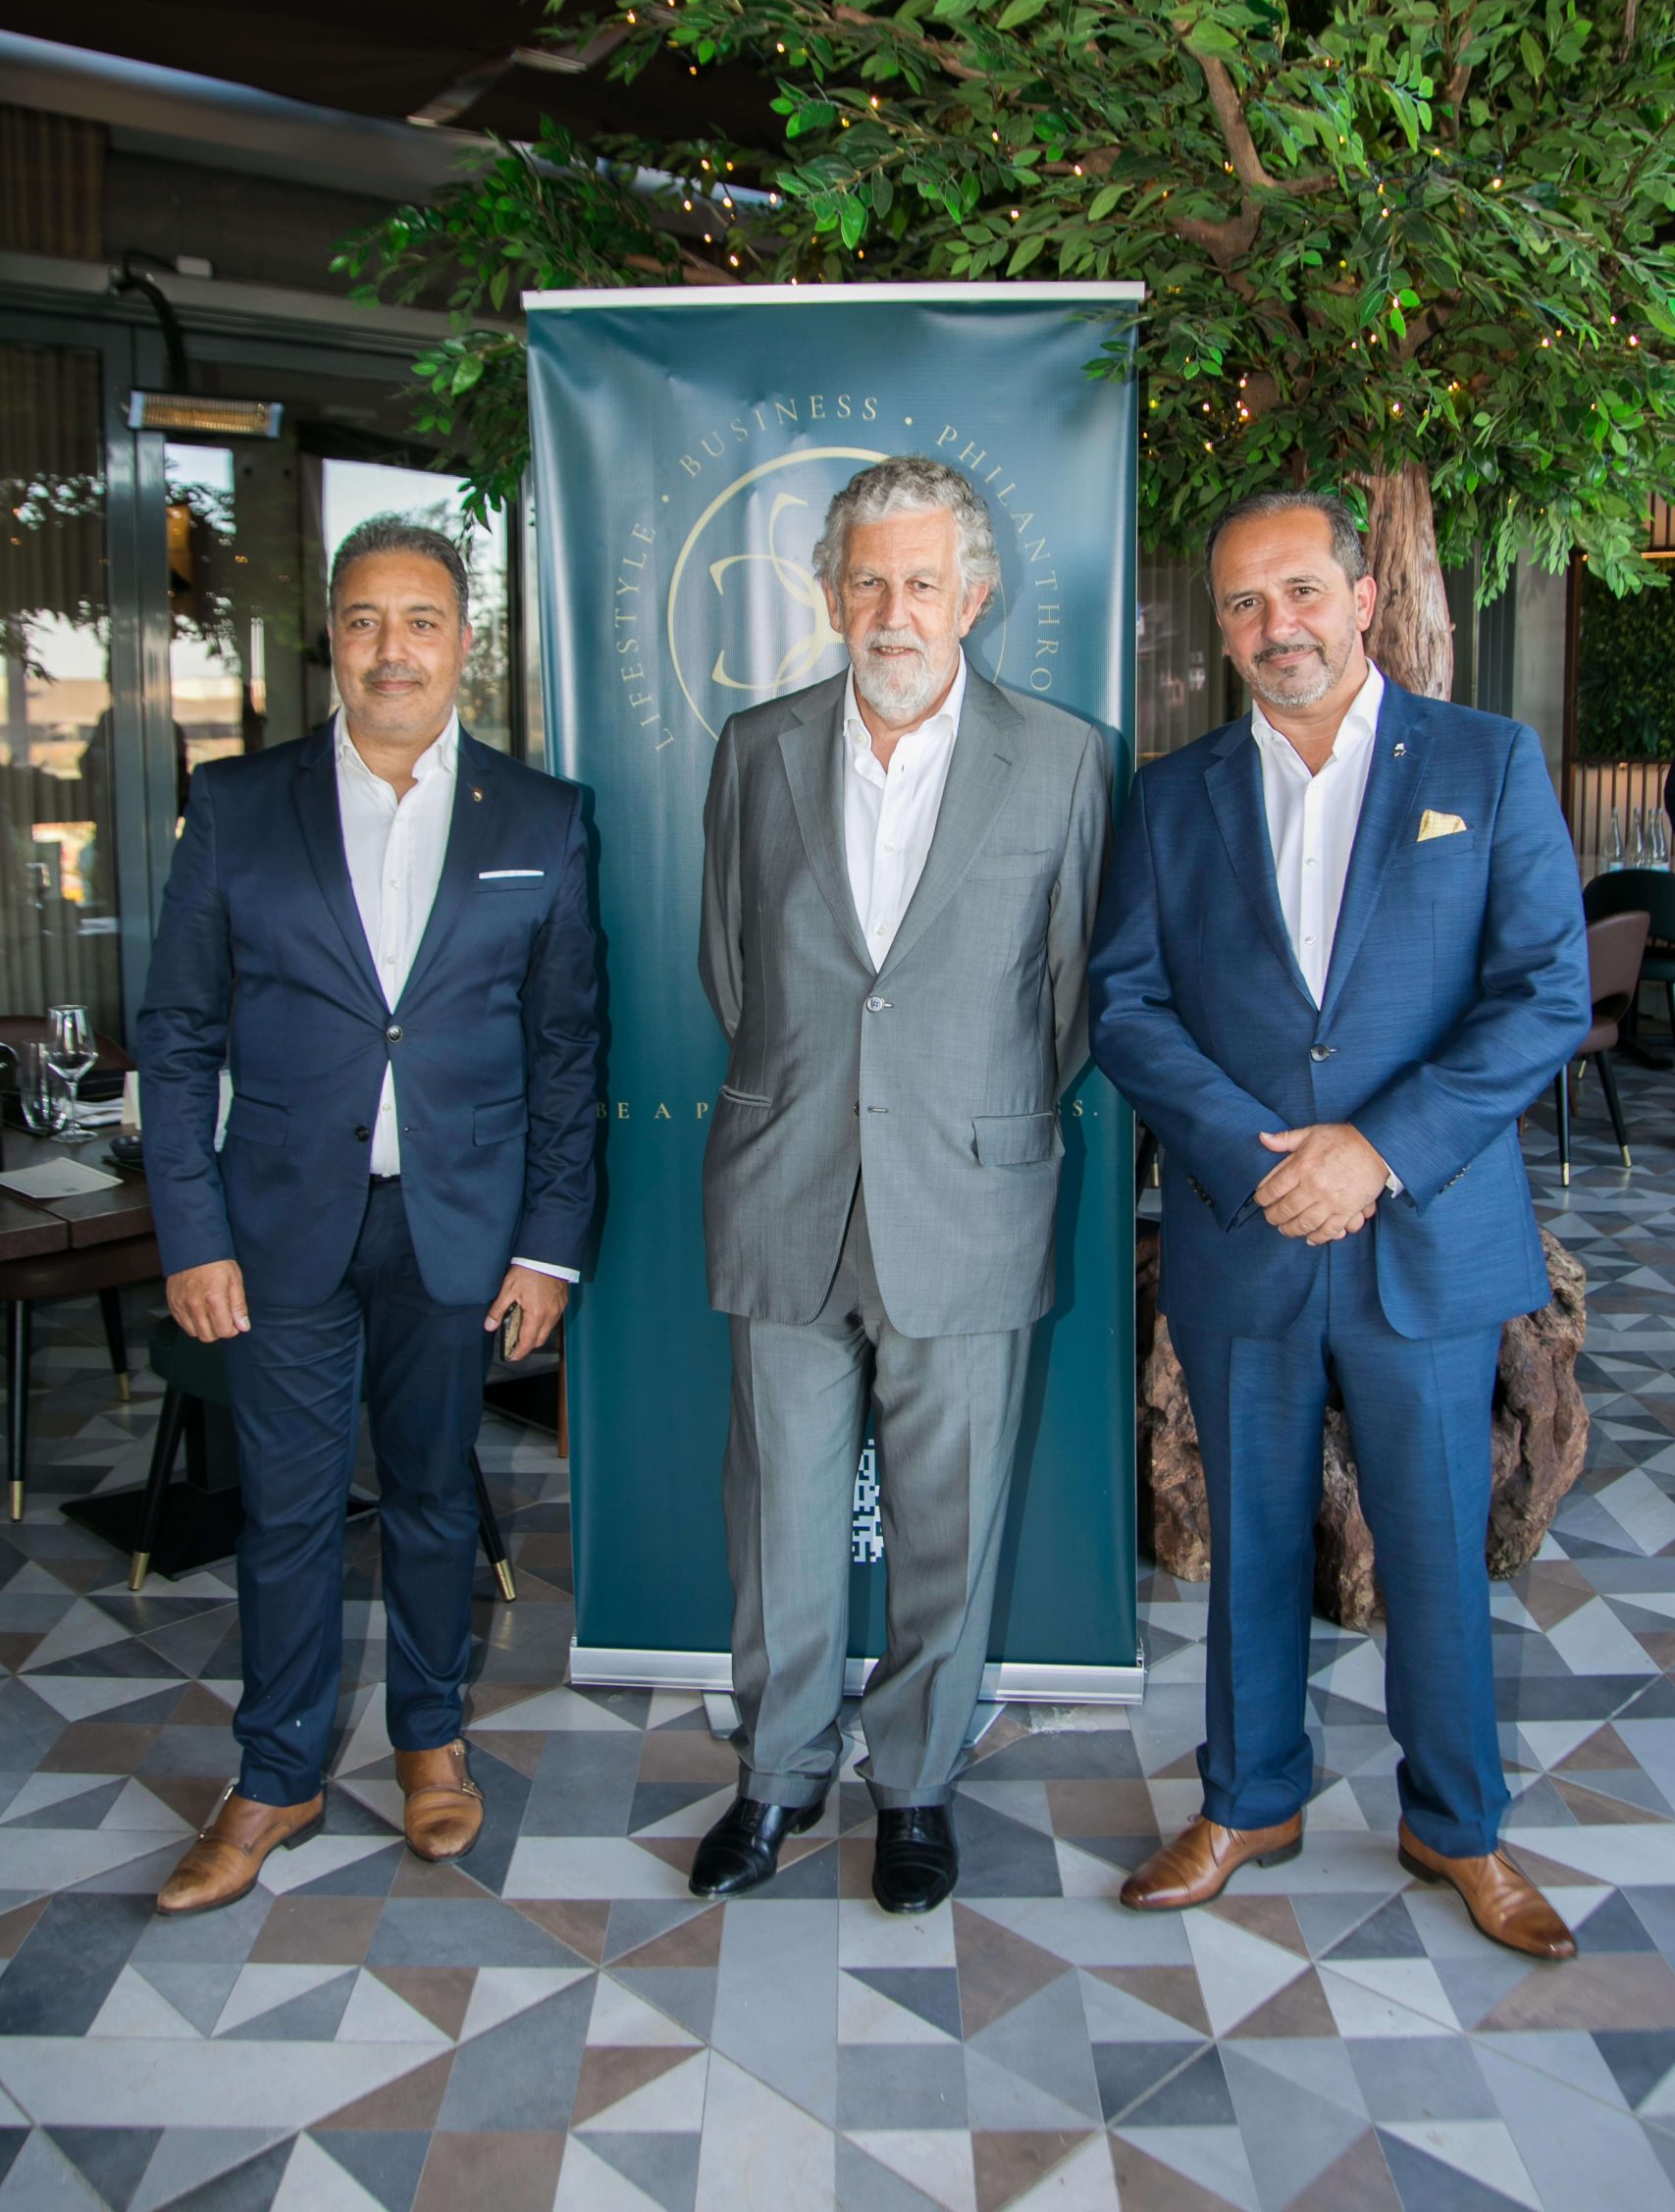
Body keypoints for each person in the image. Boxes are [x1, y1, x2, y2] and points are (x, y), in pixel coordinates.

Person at [1090, 490, 1590, 1958]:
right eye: (1245, 603)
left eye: (1301, 590)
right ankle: (1249, 1800)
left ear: (1364, 599)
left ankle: (1458, 1825)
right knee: (1247, 1537)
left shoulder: (1486, 763)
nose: (1276, 627)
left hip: (1421, 1230)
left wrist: (1376, 1152)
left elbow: (1546, 995)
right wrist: (1259, 1160)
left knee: (1435, 1547)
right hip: (1248, 1226)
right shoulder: (1169, 796)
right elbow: (1126, 1004)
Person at [138, 516, 599, 1915]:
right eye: (362, 620)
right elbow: (176, 1036)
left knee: (435, 1495)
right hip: (278, 1229)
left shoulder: (542, 818)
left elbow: (568, 1049)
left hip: (458, 1229)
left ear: (465, 645)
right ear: (330, 641)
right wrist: (191, 1232)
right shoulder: (236, 804)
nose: (391, 649)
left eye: (420, 621)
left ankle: (429, 1739)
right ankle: (273, 1775)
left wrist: (549, 1244)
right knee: (283, 1512)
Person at [692, 456, 1113, 1914]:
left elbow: (1069, 1001)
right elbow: (731, 965)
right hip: (784, 1185)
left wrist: (959, 1114)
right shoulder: (756, 749)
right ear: (828, 594)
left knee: (952, 1519)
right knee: (779, 1519)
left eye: (922, 581)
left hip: (971, 1197)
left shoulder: (1063, 760)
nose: (893, 609)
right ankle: (776, 1774)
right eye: (867, 579)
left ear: (973, 596)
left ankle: (917, 1785)